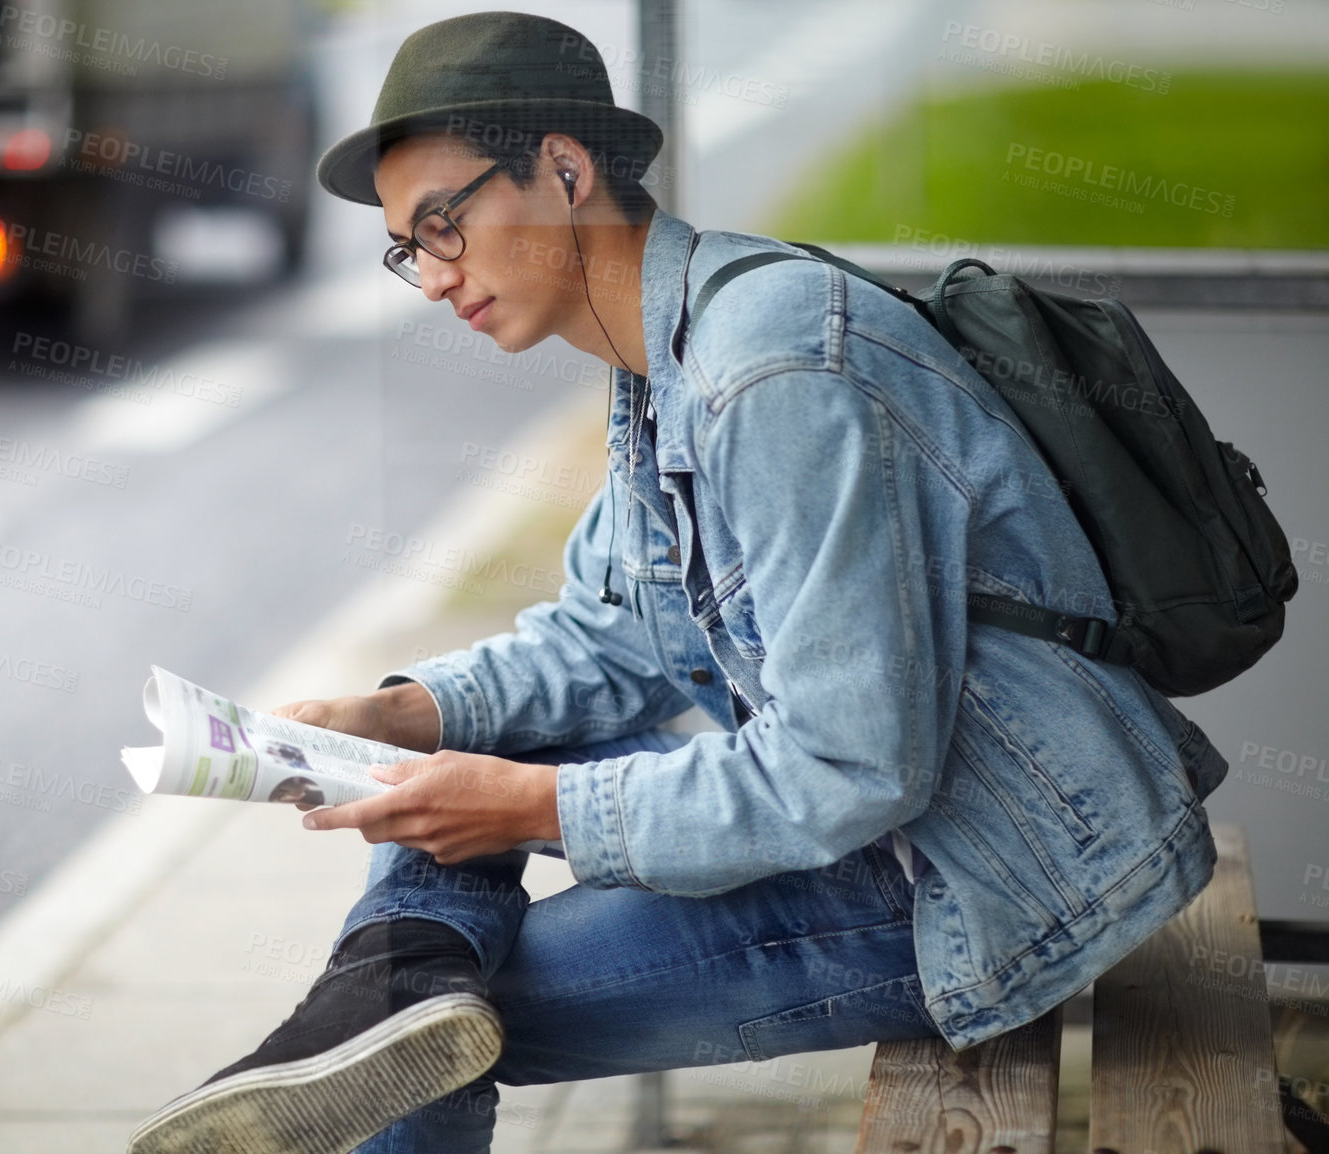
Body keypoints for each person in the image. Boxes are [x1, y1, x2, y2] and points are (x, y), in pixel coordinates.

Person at [126, 12, 1228, 1154]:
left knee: (430, 1030)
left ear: (562, 169)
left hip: (987, 869)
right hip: (910, 811)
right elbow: (603, 642)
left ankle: (381, 994)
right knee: (431, 841)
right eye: (410, 247)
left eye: (445, 224)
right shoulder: (671, 356)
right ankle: (382, 983)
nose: (431, 275)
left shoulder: (769, 370)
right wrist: (389, 716)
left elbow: (853, 763)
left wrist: (524, 805)